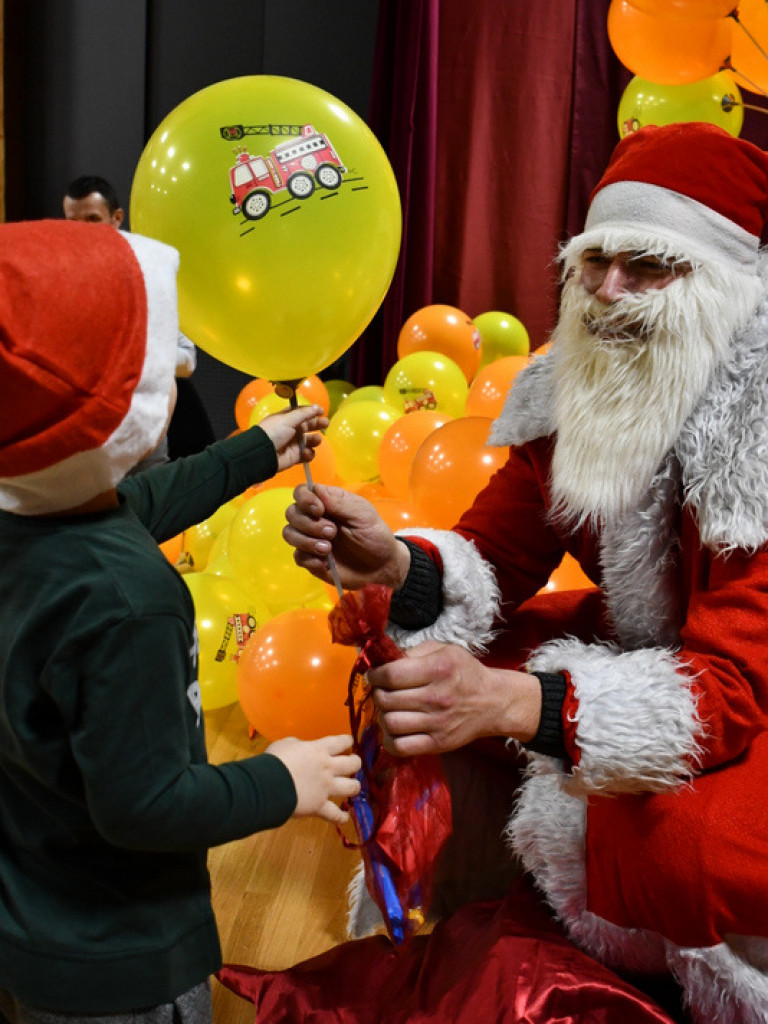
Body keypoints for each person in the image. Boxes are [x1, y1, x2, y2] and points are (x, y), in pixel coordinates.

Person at [283, 123, 768, 1024]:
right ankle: (492, 884)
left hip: (751, 687)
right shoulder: (576, 381)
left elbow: (736, 685)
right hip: (668, 657)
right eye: (595, 263)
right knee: (422, 669)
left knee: (683, 848)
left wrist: (513, 704)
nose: (609, 293)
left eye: (648, 267)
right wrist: (393, 560)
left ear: (729, 287)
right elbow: (498, 554)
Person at [0, 219, 361, 1023]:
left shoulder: (33, 513)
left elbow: (133, 503)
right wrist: (284, 780)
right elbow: (144, 804)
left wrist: (253, 451)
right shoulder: (125, 602)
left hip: (36, 920)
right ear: (125, 412)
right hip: (124, 963)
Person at [63, 174, 216, 472]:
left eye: (93, 219)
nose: (82, 233)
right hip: (85, 439)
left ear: (117, 219)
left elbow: (187, 360)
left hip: (145, 436)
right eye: (73, 223)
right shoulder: (60, 279)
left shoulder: (150, 272)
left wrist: (128, 358)